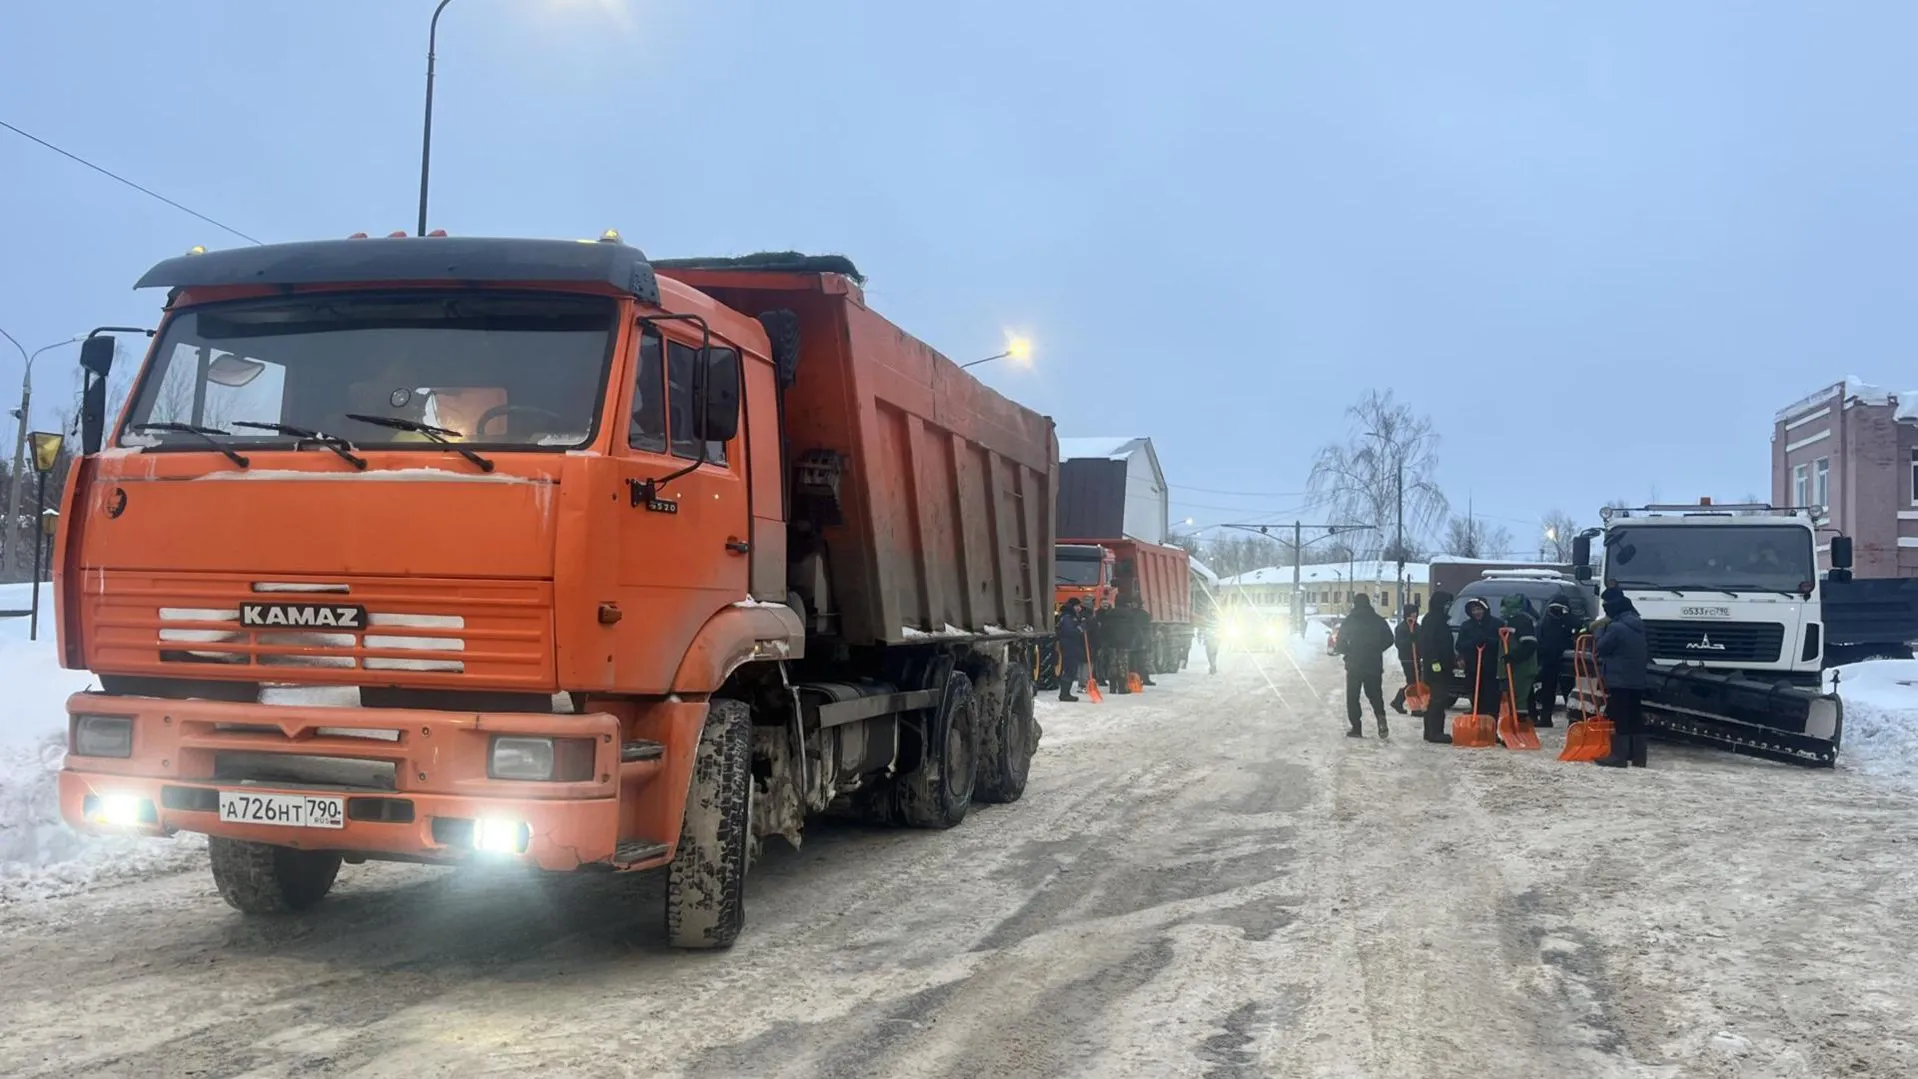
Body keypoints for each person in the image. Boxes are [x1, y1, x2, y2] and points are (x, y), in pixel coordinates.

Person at [1593, 586, 1650, 768]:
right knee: (1635, 714)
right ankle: (1639, 757)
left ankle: (1618, 756)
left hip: (1619, 678)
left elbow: (1601, 647)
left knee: (1620, 716)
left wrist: (1600, 630)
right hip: (1637, 677)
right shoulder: (1638, 624)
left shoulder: (1616, 628)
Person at [1335, 594, 1396, 738]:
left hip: (1354, 664)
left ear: (1355, 604)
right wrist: (1376, 649)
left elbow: (1340, 643)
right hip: (1373, 664)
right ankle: (1381, 719)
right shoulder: (1378, 620)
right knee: (1375, 695)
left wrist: (1348, 650)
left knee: (1353, 697)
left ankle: (1356, 727)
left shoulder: (1349, 621)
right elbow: (1389, 639)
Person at [1416, 591, 1459, 743]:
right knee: (1439, 699)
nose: (1449, 607)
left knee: (1437, 699)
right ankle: (1435, 732)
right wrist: (1435, 664)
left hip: (1441, 666)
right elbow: (1430, 644)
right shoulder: (1432, 620)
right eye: (1447, 603)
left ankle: (1431, 731)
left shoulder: (1439, 620)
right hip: (1436, 668)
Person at [1454, 596, 1504, 720]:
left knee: (1492, 700)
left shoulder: (1497, 624)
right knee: (1476, 698)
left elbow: (1503, 644)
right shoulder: (1466, 626)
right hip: (1473, 669)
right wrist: (1473, 643)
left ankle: (1492, 727)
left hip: (1491, 669)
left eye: (1479, 609)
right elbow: (1459, 645)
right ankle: (1479, 727)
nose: (1476, 612)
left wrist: (1488, 641)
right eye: (1473, 610)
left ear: (1485, 609)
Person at [1533, 598, 1580, 726]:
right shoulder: (1544, 623)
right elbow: (1539, 640)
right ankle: (1545, 718)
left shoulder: (1569, 621)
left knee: (1569, 693)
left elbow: (1579, 627)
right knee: (1548, 692)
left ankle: (1574, 720)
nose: (1556, 612)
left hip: (1566, 662)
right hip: (1549, 661)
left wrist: (1567, 616)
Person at [1498, 594, 1540, 722]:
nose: (1502, 610)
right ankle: (1523, 719)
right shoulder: (1510, 621)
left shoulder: (1521, 621)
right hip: (1513, 668)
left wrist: (1513, 656)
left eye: (1504, 607)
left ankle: (1521, 723)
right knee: (1516, 696)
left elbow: (1529, 644)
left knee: (1520, 697)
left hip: (1522, 667)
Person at [1056, 598, 1089, 703]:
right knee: (1069, 669)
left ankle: (1066, 693)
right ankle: (1064, 694)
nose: (1079, 608)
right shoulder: (1067, 617)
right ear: (1072, 606)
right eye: (1077, 606)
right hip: (1069, 646)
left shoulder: (1071, 616)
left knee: (1071, 669)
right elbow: (1070, 632)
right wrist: (1081, 627)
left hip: (1071, 646)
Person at [1389, 602, 1420, 714]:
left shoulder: (1417, 627)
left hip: (1416, 657)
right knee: (1413, 683)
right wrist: (1409, 639)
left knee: (1416, 682)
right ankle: (1414, 707)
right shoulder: (1401, 628)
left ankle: (1398, 701)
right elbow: (1399, 644)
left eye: (1416, 614)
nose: (1414, 616)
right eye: (1412, 614)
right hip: (1407, 658)